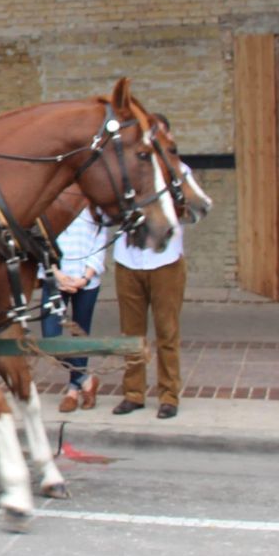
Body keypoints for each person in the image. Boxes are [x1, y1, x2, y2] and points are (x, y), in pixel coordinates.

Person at [112, 155, 194, 421]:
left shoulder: (177, 171)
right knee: (131, 333)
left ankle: (169, 395)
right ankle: (133, 393)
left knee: (167, 331)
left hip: (165, 261)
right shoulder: (124, 173)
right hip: (128, 260)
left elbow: (193, 210)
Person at [43, 199, 106, 412]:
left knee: (80, 335)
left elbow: (100, 243)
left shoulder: (96, 206)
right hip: (56, 278)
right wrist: (57, 274)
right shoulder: (51, 203)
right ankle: (86, 380)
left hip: (86, 279)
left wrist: (85, 278)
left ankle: (73, 390)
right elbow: (42, 241)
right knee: (51, 338)